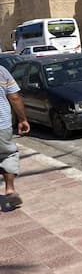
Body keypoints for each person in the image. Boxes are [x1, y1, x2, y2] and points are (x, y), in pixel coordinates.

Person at [0, 65, 30, 210]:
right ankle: (10, 189)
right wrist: (22, 119)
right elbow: (14, 96)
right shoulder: (1, 71)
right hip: (2, 125)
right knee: (8, 155)